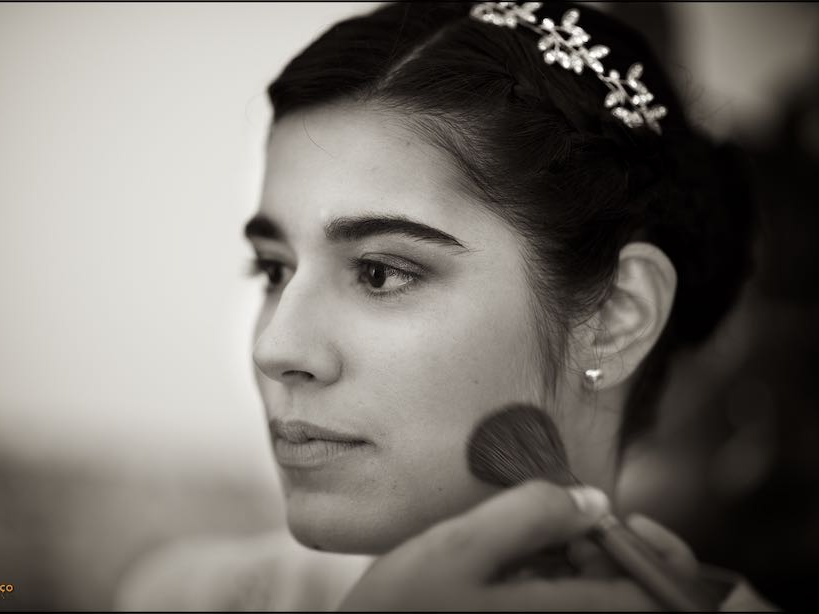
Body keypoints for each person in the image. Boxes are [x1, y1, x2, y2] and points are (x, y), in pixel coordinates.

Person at [118, 2, 779, 610]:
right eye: (274, 269)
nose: (275, 349)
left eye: (379, 274)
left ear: (614, 315)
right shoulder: (183, 596)